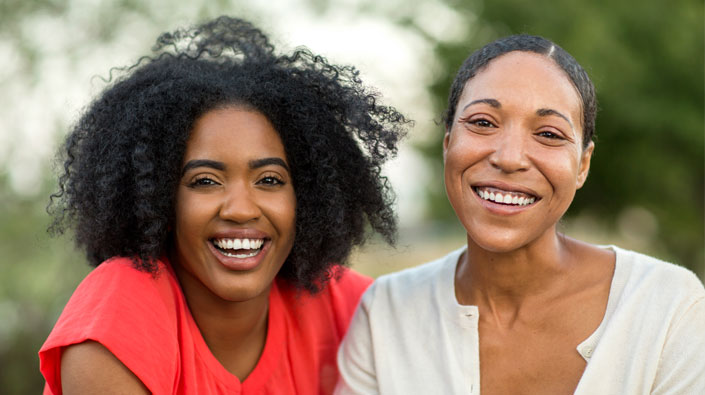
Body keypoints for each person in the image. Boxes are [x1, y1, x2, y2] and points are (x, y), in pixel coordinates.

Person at [39, 16, 408, 394]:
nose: (240, 209)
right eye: (205, 182)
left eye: (269, 180)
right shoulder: (116, 315)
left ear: (307, 199)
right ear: (162, 202)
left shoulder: (350, 307)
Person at [336, 34, 705, 394]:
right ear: (448, 143)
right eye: (483, 123)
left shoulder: (669, 308)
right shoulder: (386, 313)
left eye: (548, 133)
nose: (509, 157)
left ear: (582, 165)